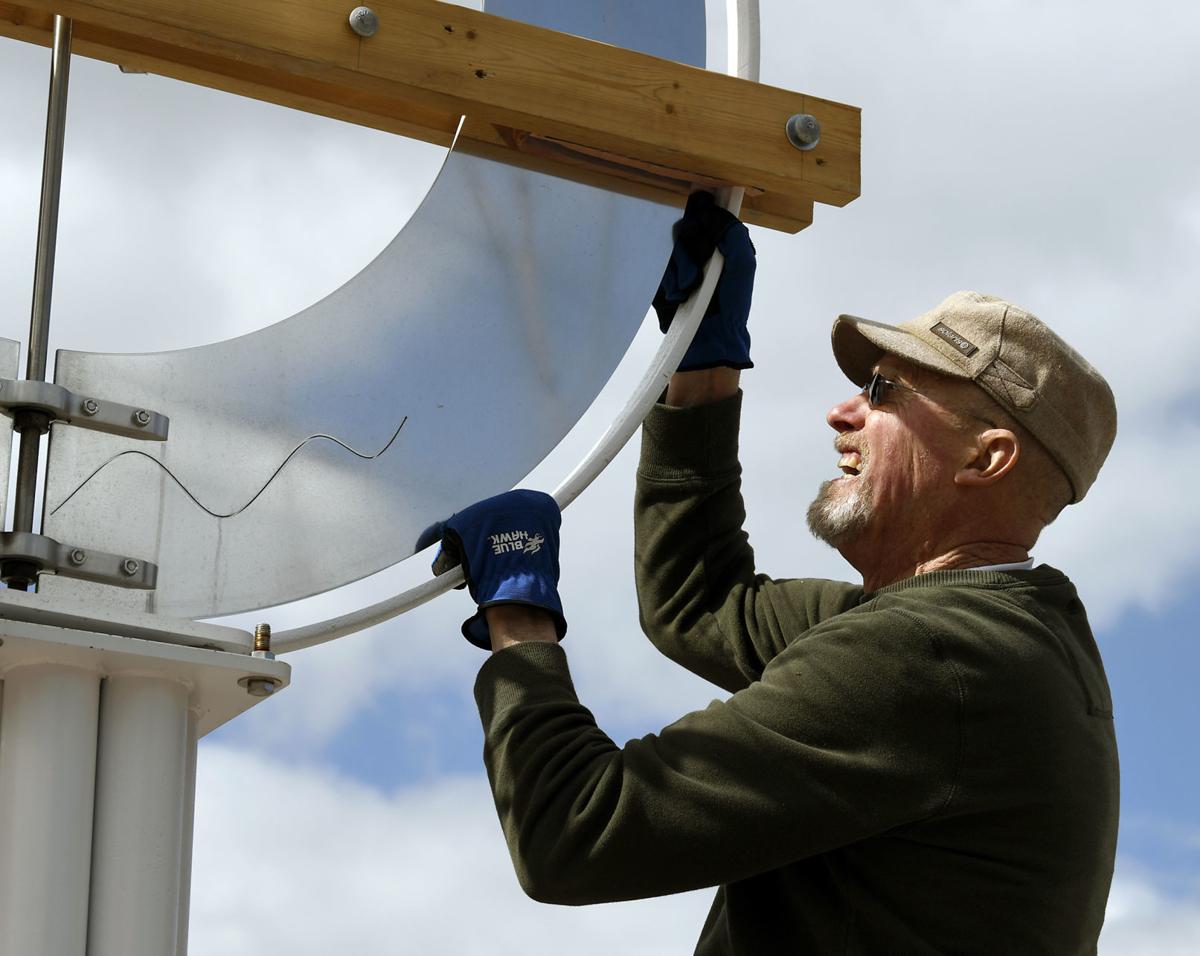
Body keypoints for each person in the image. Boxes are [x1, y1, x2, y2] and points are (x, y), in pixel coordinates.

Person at [427, 194, 1119, 954]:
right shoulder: (989, 635)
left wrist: (519, 617)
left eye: (884, 392)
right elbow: (699, 601)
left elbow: (575, 831)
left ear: (986, 458)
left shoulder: (928, 659)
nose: (841, 412)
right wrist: (704, 372)